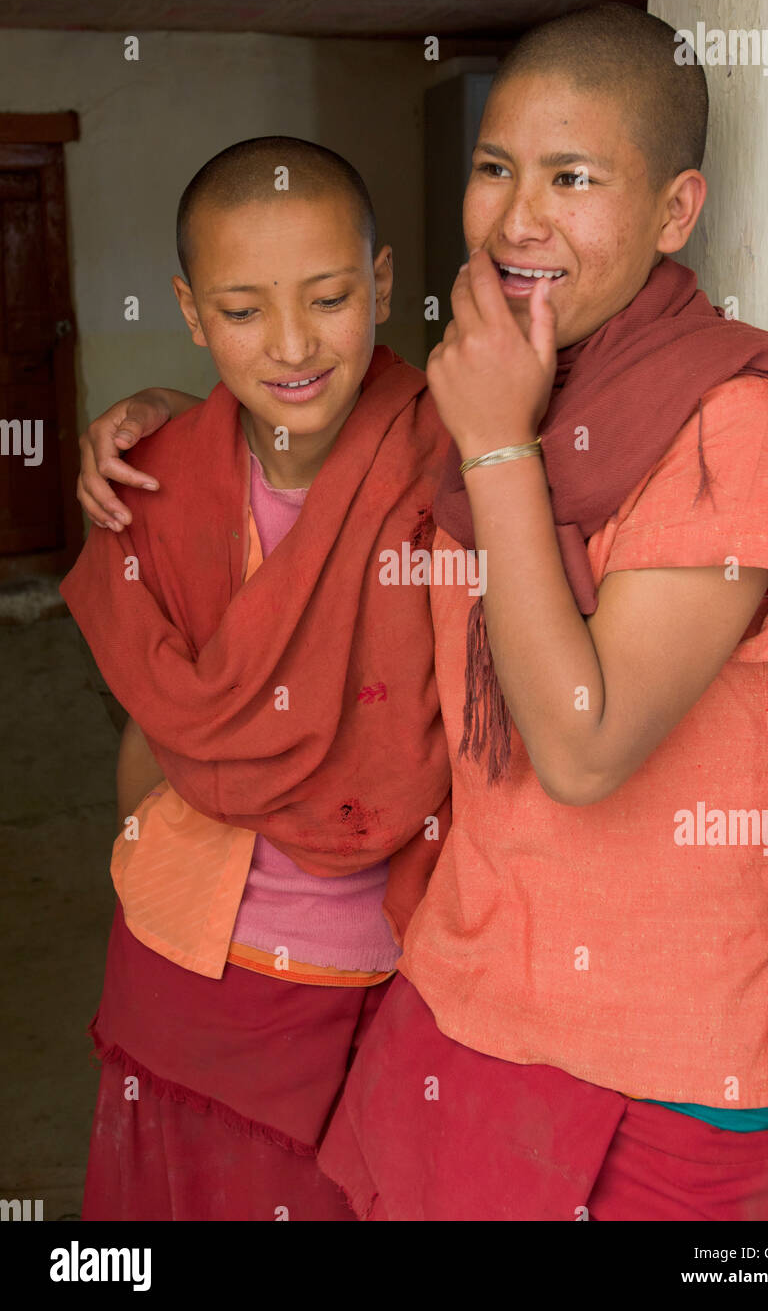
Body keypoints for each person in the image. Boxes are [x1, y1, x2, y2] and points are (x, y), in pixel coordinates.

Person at [78, 4, 768, 1222]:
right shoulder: (488, 384)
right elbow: (319, 429)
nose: (517, 217)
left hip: (660, 1058)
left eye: (571, 178)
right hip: (456, 1014)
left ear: (674, 211)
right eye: (494, 170)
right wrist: (181, 418)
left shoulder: (723, 421)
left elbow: (580, 745)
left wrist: (495, 449)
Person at [61, 135, 451, 1221]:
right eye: (241, 312)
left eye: (327, 297)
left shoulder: (452, 459)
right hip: (187, 967)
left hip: (389, 972)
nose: (290, 344)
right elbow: (152, 736)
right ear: (190, 313)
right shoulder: (159, 480)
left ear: (378, 283)